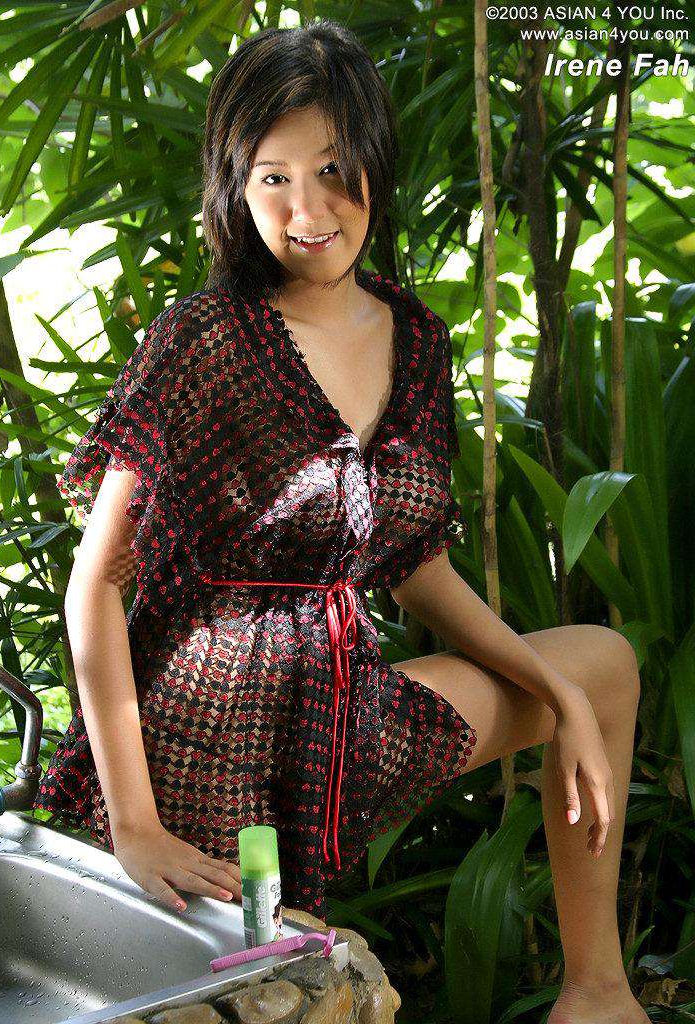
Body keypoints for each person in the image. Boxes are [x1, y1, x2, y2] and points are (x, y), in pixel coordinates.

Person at [34, 19, 645, 1021]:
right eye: (271, 178)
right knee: (275, 990)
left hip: (339, 713)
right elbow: (96, 581)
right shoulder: (204, 340)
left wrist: (557, 695)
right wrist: (136, 825)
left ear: (373, 161)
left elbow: (414, 566)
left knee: (601, 669)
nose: (307, 210)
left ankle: (599, 997)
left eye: (330, 170)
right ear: (234, 188)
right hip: (205, 740)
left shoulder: (417, 339)